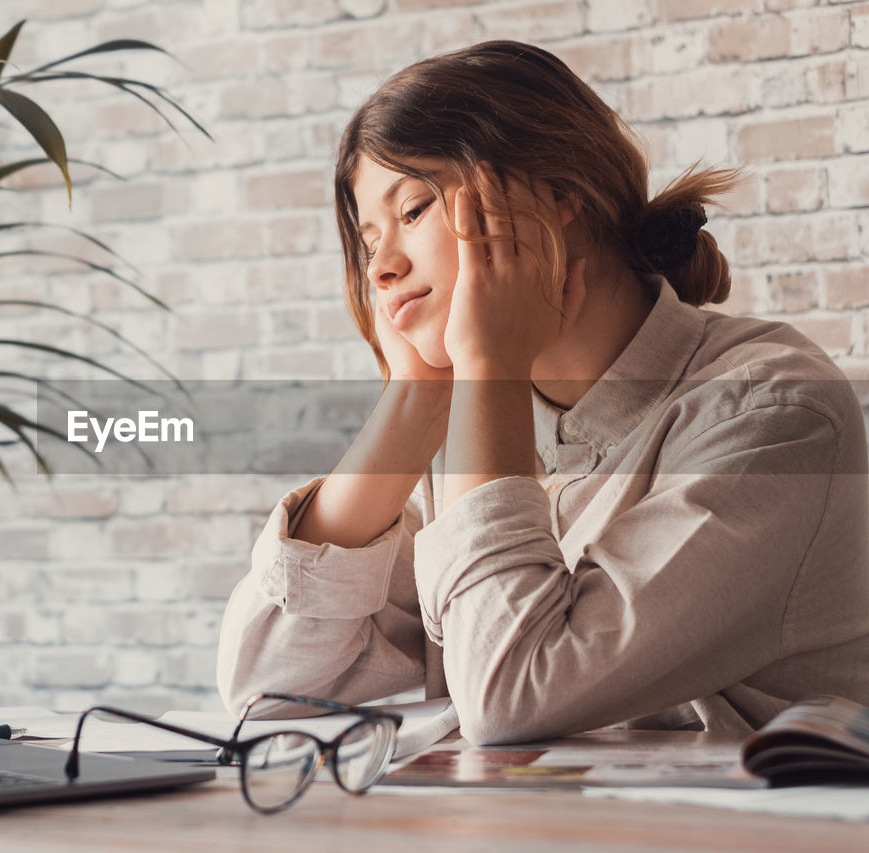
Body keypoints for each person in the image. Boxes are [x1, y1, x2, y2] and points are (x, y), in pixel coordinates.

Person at [216, 40, 869, 745]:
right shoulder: (487, 421)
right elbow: (270, 688)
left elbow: (511, 696)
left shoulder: (777, 415)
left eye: (411, 212)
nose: (381, 266)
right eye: (368, 238)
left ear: (561, 194)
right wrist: (415, 402)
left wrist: (487, 367)